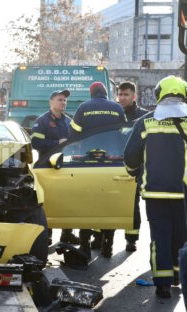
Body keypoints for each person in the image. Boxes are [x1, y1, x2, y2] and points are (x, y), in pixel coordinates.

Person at [124, 75, 187, 299]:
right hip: (183, 193)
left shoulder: (146, 122)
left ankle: (162, 284)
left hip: (155, 192)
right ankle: (179, 277)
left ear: (159, 94)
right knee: (182, 235)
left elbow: (130, 156)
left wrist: (134, 173)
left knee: (160, 236)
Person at [70, 82, 126, 259]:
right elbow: (123, 132)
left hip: (87, 161)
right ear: (105, 93)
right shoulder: (117, 108)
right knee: (109, 204)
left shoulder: (83, 108)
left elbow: (74, 133)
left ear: (91, 93)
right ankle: (107, 246)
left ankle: (85, 246)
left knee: (86, 203)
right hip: (111, 159)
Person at [31, 89, 79, 245]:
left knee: (68, 200)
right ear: (50, 102)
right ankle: (48, 234)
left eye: (65, 100)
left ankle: (67, 233)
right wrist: (56, 144)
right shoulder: (42, 121)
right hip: (47, 167)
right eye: (60, 99)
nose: (63, 102)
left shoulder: (68, 121)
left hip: (65, 166)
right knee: (48, 201)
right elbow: (35, 143)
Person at [116, 81, 148, 253]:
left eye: (126, 94)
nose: (122, 98)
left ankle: (131, 239)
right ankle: (101, 238)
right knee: (110, 202)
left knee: (132, 204)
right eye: (120, 94)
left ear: (133, 96)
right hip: (113, 164)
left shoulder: (143, 116)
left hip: (135, 165)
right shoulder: (113, 113)